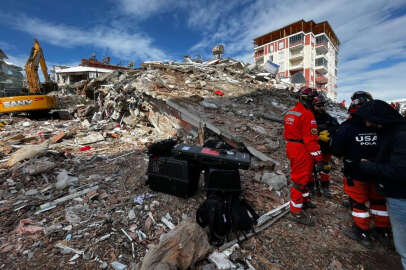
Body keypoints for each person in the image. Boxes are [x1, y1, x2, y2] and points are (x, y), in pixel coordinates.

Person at [330, 91, 391, 248]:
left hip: (355, 172)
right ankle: (383, 231)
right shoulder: (383, 126)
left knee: (359, 202)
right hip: (379, 171)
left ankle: (362, 232)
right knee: (378, 201)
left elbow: (336, 149)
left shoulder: (348, 127)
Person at [352, 100, 406, 269]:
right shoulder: (392, 131)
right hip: (394, 194)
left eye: (369, 120)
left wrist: (368, 166)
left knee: (404, 249)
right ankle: (381, 230)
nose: (367, 124)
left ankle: (366, 231)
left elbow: (399, 171)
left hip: (401, 196)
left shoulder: (400, 134)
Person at [283, 86, 324, 226]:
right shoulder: (307, 114)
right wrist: (319, 158)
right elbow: (311, 140)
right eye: (313, 100)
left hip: (292, 146)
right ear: (309, 100)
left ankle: (305, 201)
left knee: (304, 177)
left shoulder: (290, 112)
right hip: (302, 149)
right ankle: (295, 212)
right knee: (300, 180)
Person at [309, 94, 339, 198]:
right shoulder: (309, 116)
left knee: (325, 168)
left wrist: (328, 132)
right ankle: (311, 187)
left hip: (325, 148)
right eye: (318, 105)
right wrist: (317, 136)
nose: (321, 107)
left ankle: (325, 187)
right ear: (313, 105)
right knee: (311, 169)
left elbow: (336, 126)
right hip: (312, 147)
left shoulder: (328, 117)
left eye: (322, 105)